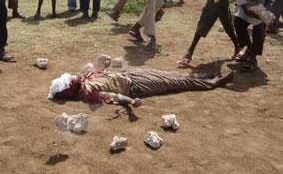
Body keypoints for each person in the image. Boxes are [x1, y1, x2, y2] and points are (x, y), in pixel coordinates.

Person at [48, 67, 234, 107]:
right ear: (69, 91)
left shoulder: (83, 80)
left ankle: (205, 75)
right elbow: (114, 97)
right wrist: (131, 102)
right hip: (135, 86)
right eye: (70, 82)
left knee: (169, 75)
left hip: (129, 73)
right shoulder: (89, 93)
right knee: (175, 83)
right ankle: (213, 83)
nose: (72, 79)